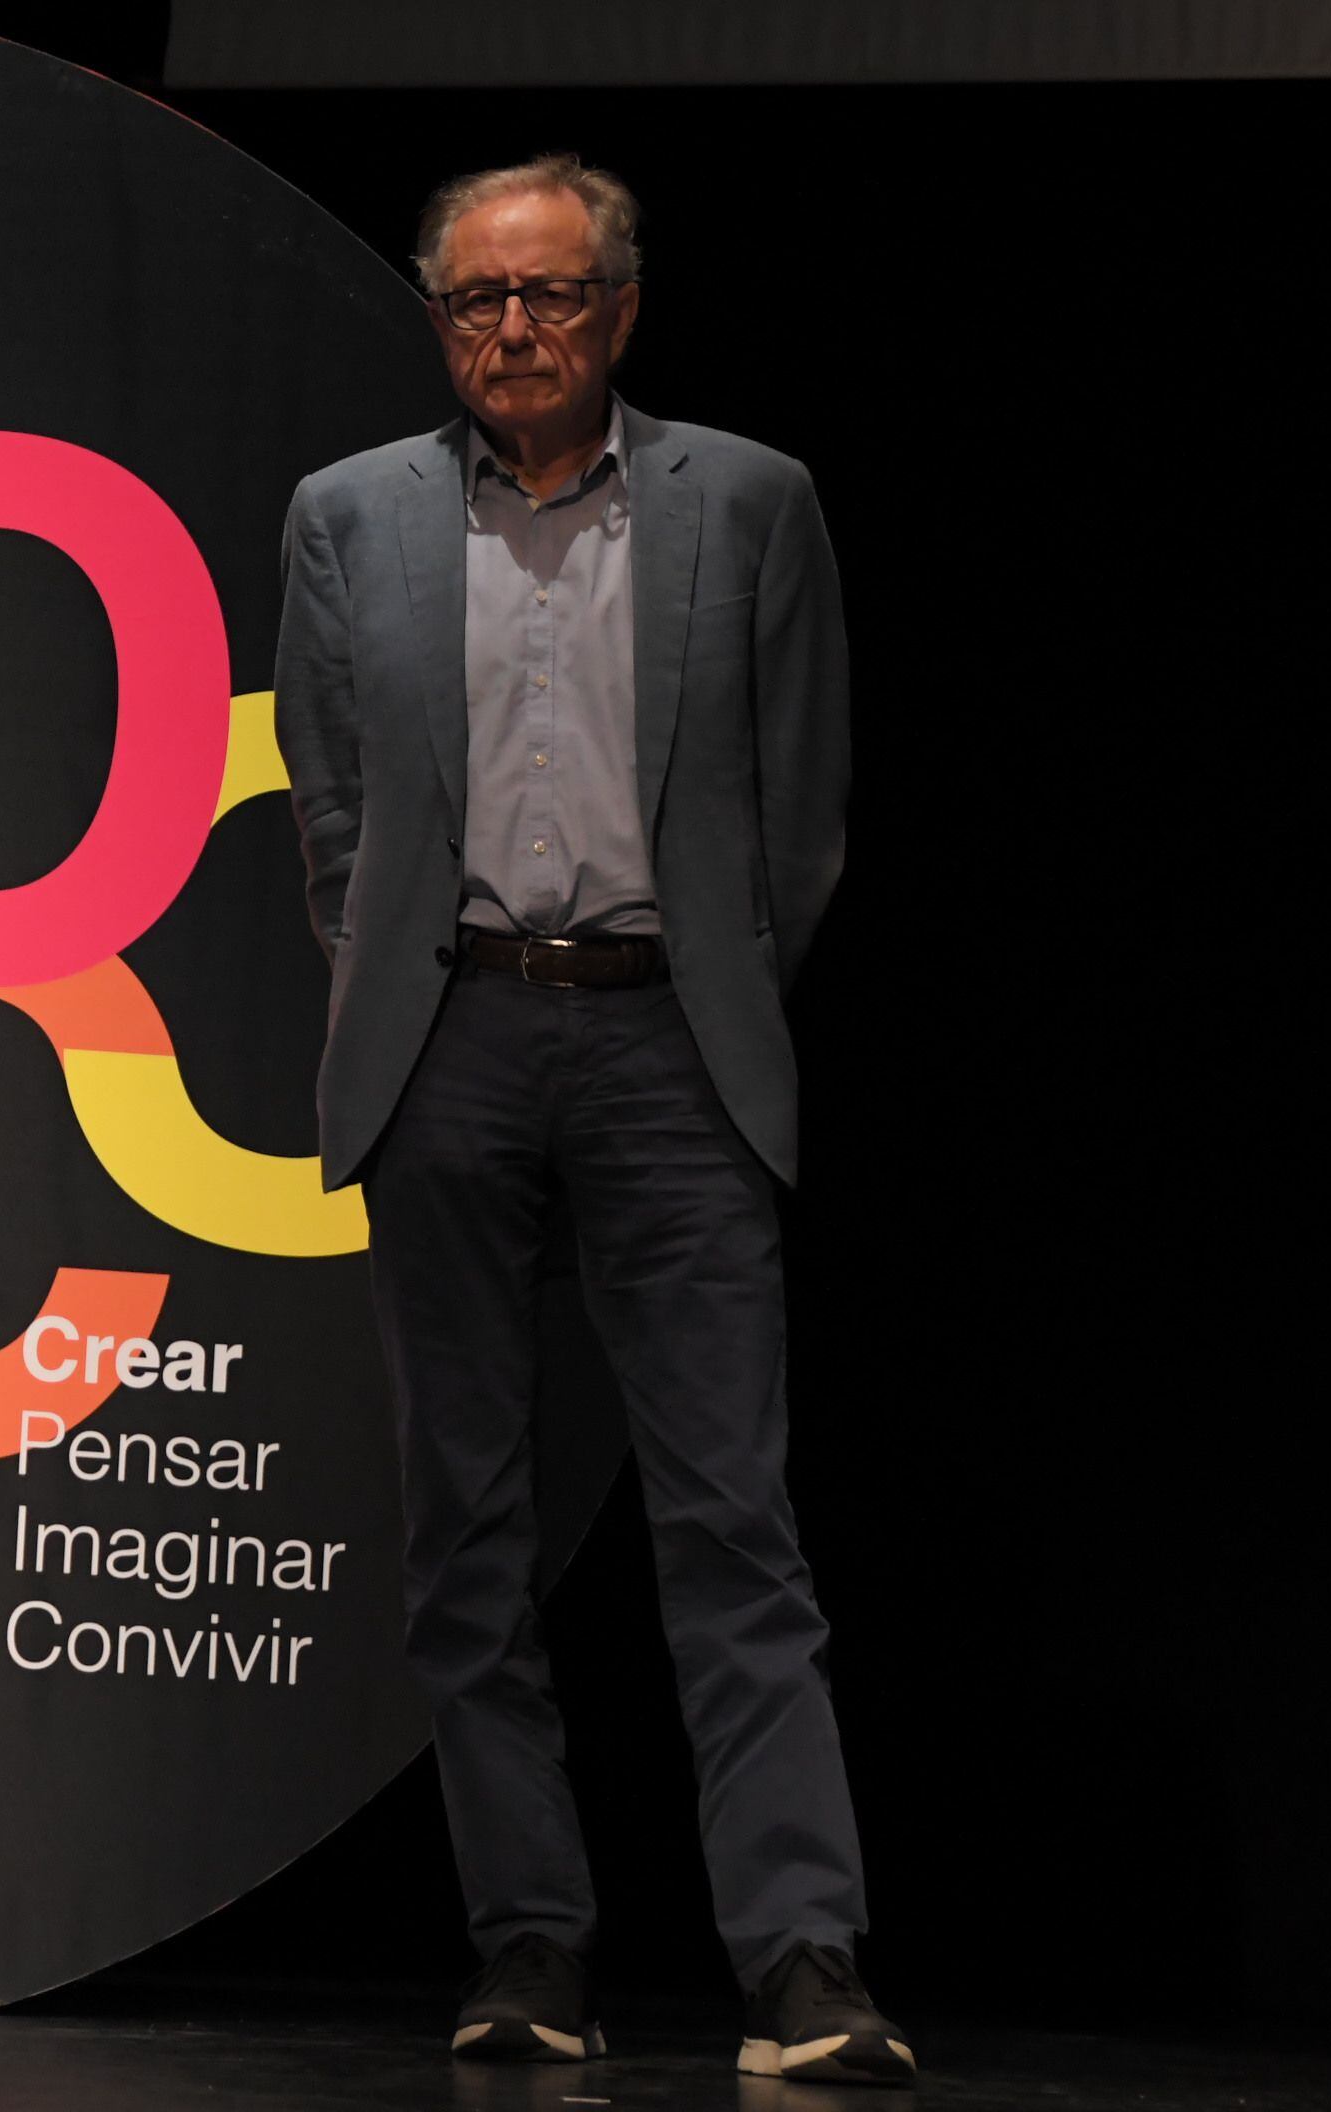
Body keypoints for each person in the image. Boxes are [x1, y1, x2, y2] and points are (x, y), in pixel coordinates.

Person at [272, 157, 908, 2084]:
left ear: (619, 314)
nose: (512, 333)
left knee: (733, 1521)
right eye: (477, 303)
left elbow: (798, 817)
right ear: (441, 319)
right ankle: (529, 1950)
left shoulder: (753, 501)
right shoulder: (345, 517)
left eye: (549, 298)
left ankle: (804, 1965)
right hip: (450, 1042)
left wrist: (703, 990)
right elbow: (333, 815)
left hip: (668, 1050)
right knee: (467, 1531)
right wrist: (407, 984)